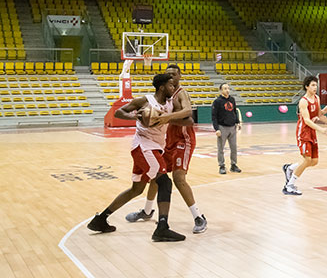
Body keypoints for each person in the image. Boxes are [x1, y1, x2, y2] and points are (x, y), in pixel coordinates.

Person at [87, 73, 190, 242]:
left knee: (136, 189)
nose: (174, 88)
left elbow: (188, 119)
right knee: (164, 182)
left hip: (154, 148)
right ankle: (162, 228)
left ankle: (100, 220)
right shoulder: (145, 101)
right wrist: (135, 116)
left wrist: (167, 118)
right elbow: (119, 112)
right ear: (162, 87)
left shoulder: (171, 103)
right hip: (144, 146)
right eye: (171, 85)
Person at [124, 64, 207, 234]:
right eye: (168, 74)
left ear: (179, 76)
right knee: (157, 175)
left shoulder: (181, 93)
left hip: (183, 140)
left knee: (178, 178)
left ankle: (199, 217)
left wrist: (167, 118)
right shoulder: (164, 96)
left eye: (174, 74)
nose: (171, 77)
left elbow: (188, 112)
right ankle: (147, 211)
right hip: (167, 141)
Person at [282, 76, 327, 196]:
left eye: (316, 85)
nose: (316, 87)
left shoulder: (317, 98)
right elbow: (307, 121)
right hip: (303, 131)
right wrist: (321, 129)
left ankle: (290, 168)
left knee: (314, 161)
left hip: (312, 131)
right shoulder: (303, 101)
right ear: (307, 87)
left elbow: (319, 115)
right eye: (313, 85)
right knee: (307, 159)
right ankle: (289, 186)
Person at [212, 83, 242, 175]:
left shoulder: (232, 100)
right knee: (221, 148)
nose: (227, 90)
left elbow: (234, 112)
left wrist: (237, 122)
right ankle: (221, 166)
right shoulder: (217, 101)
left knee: (234, 147)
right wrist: (216, 129)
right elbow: (214, 116)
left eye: (228, 88)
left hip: (232, 127)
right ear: (221, 90)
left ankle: (233, 165)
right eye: (225, 88)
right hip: (222, 127)